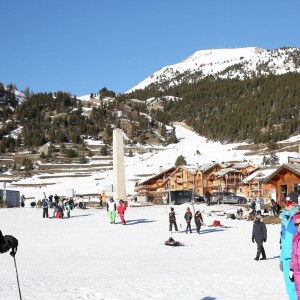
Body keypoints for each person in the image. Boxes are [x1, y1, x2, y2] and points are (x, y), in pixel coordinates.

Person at [279, 192, 300, 300]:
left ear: (295, 203)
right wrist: (282, 259)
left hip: (297, 259)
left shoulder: (297, 218)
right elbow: (283, 241)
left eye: (289, 202)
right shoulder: (284, 219)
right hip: (287, 259)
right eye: (285, 202)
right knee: (290, 288)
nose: (286, 205)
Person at [290, 212, 300, 299]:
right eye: (296, 224)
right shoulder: (295, 237)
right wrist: (291, 269)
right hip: (297, 271)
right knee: (298, 293)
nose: (299, 226)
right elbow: (293, 254)